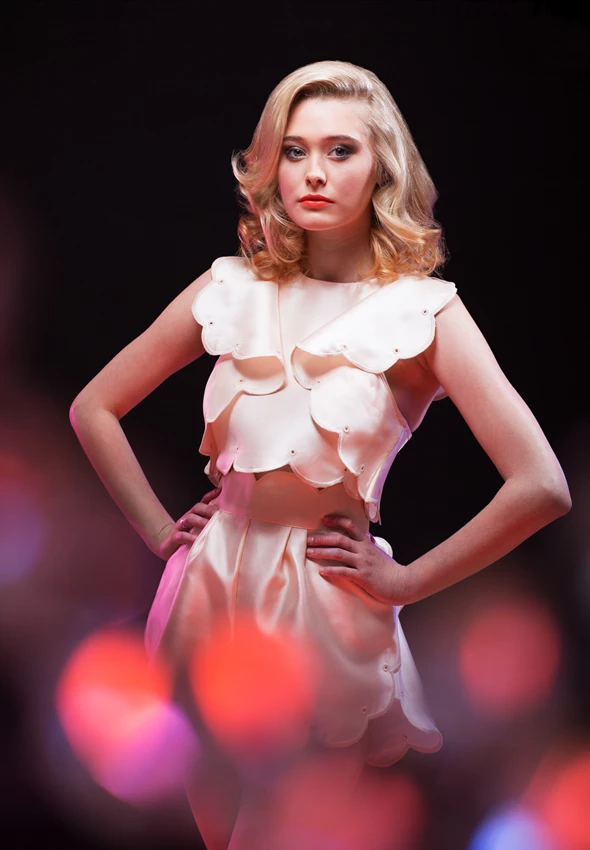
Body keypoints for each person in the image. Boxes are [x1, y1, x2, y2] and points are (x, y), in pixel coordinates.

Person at [69, 60, 571, 849]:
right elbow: (92, 406)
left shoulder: (423, 311)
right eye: (295, 150)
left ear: (382, 167)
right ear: (271, 165)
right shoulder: (229, 286)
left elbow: (541, 484)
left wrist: (404, 582)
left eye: (341, 150)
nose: (313, 171)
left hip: (322, 600)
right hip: (208, 585)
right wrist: (157, 531)